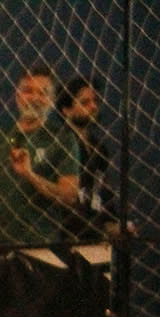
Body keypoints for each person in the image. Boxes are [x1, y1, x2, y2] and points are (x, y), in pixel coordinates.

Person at [0, 64, 79, 247]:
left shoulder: (63, 138)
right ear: (17, 96)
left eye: (43, 93)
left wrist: (29, 175)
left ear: (52, 101)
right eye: (28, 91)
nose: (34, 98)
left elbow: (69, 195)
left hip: (42, 245)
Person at [56, 76, 116, 242]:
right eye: (84, 102)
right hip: (67, 234)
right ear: (66, 110)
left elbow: (103, 191)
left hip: (95, 233)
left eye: (95, 101)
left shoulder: (99, 147)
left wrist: (111, 223)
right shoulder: (60, 144)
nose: (93, 106)